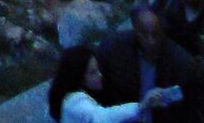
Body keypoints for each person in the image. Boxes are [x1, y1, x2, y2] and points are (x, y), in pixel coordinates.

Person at [95, 6, 202, 118]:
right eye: (144, 34)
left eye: (155, 34)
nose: (151, 41)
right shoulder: (113, 50)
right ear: (135, 31)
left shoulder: (180, 62)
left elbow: (191, 106)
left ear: (163, 31)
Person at [47, 44, 181, 122]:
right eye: (92, 72)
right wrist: (141, 106)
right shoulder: (75, 102)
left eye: (97, 69)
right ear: (79, 77)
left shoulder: (72, 99)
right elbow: (102, 117)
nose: (99, 75)